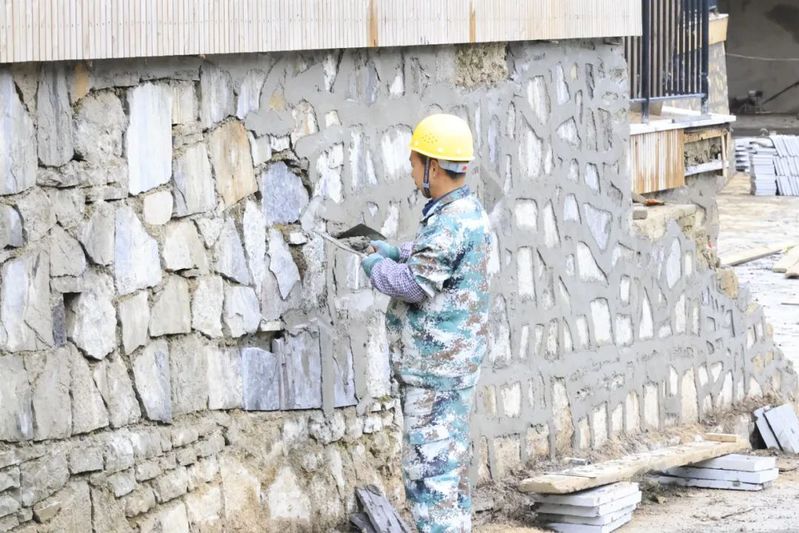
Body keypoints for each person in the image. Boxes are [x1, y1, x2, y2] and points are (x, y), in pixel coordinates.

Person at [360, 113, 491, 532]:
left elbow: (414, 285)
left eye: (414, 163)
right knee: (449, 480)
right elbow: (433, 255)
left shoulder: (448, 223)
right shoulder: (465, 211)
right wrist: (398, 251)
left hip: (435, 375)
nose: (411, 171)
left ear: (433, 167)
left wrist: (375, 267)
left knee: (430, 482)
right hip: (452, 370)